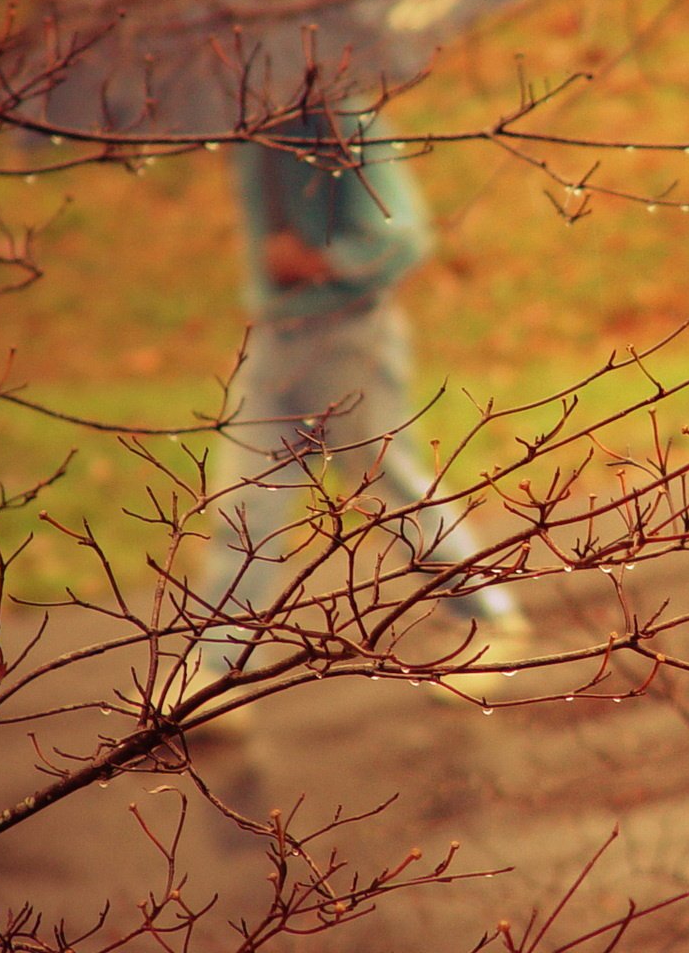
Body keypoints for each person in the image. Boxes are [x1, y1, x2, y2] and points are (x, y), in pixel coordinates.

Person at [187, 101, 529, 696]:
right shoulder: (245, 128)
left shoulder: (341, 120)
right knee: (248, 503)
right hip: (274, 339)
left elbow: (402, 238)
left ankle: (489, 621)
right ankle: (216, 675)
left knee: (388, 485)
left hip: (349, 334)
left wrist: (320, 261)